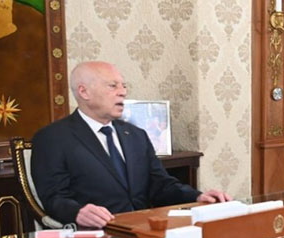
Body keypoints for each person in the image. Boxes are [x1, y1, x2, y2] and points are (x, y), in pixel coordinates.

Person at [31, 61, 230, 228]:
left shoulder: (135, 135)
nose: (123, 92)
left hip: (145, 231)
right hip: (96, 235)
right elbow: (54, 198)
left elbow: (160, 184)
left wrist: (198, 196)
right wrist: (78, 212)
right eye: (113, 86)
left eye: (123, 86)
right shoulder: (53, 138)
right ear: (84, 92)